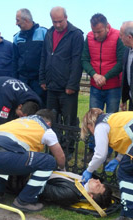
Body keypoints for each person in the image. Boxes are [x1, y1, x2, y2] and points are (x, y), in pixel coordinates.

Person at [0, 109, 66, 212]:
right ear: (49, 123)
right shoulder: (46, 129)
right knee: (48, 161)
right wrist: (62, 169)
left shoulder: (20, 121)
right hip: (1, 157)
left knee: (10, 155)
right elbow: (60, 157)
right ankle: (24, 201)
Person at [81, 108, 133, 220]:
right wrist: (118, 159)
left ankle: (130, 215)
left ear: (89, 123)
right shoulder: (112, 119)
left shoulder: (100, 125)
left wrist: (89, 170)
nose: (92, 133)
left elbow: (100, 154)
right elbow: (127, 140)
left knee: (125, 172)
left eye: (89, 130)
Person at [39, 6, 83, 159]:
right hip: (51, 85)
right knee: (52, 118)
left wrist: (72, 84)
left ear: (66, 17)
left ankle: (69, 148)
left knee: (69, 119)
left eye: (60, 21)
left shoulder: (76, 34)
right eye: (54, 21)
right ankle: (54, 144)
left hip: (67, 87)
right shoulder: (49, 33)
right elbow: (44, 57)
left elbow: (77, 61)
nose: (57, 25)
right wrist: (43, 78)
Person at [81, 13, 125, 113]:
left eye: (99, 32)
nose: (96, 35)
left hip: (113, 87)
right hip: (95, 87)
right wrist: (94, 75)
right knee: (93, 119)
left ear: (107, 27)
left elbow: (121, 62)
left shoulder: (118, 37)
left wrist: (106, 77)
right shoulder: (89, 37)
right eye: (94, 31)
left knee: (111, 119)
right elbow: (84, 60)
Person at [13, 8, 47, 107]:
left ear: (26, 20)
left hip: (39, 82)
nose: (16, 23)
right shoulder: (17, 38)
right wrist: (15, 80)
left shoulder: (44, 33)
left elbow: (48, 57)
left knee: (40, 108)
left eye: (18, 20)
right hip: (23, 81)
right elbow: (15, 60)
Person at [39, 170, 112, 209]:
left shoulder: (69, 194)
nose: (98, 181)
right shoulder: (83, 181)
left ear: (90, 196)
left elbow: (40, 187)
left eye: (98, 186)